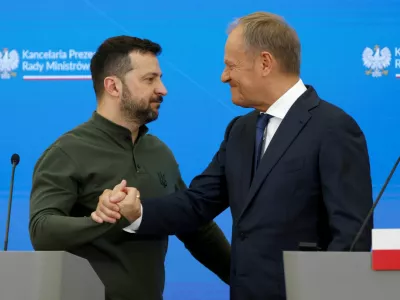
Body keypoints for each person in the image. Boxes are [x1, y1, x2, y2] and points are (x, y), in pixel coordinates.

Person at [92, 12, 374, 300]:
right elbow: (198, 202)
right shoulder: (240, 130)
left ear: (265, 63)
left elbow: (351, 236)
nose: (224, 76)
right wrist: (137, 212)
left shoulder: (333, 128)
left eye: (230, 66)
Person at [28, 35, 231, 300]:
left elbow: (195, 226)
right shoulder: (67, 152)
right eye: (150, 79)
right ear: (113, 86)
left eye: (160, 77)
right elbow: (42, 231)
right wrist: (101, 219)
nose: (163, 89)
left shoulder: (159, 152)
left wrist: (249, 279)